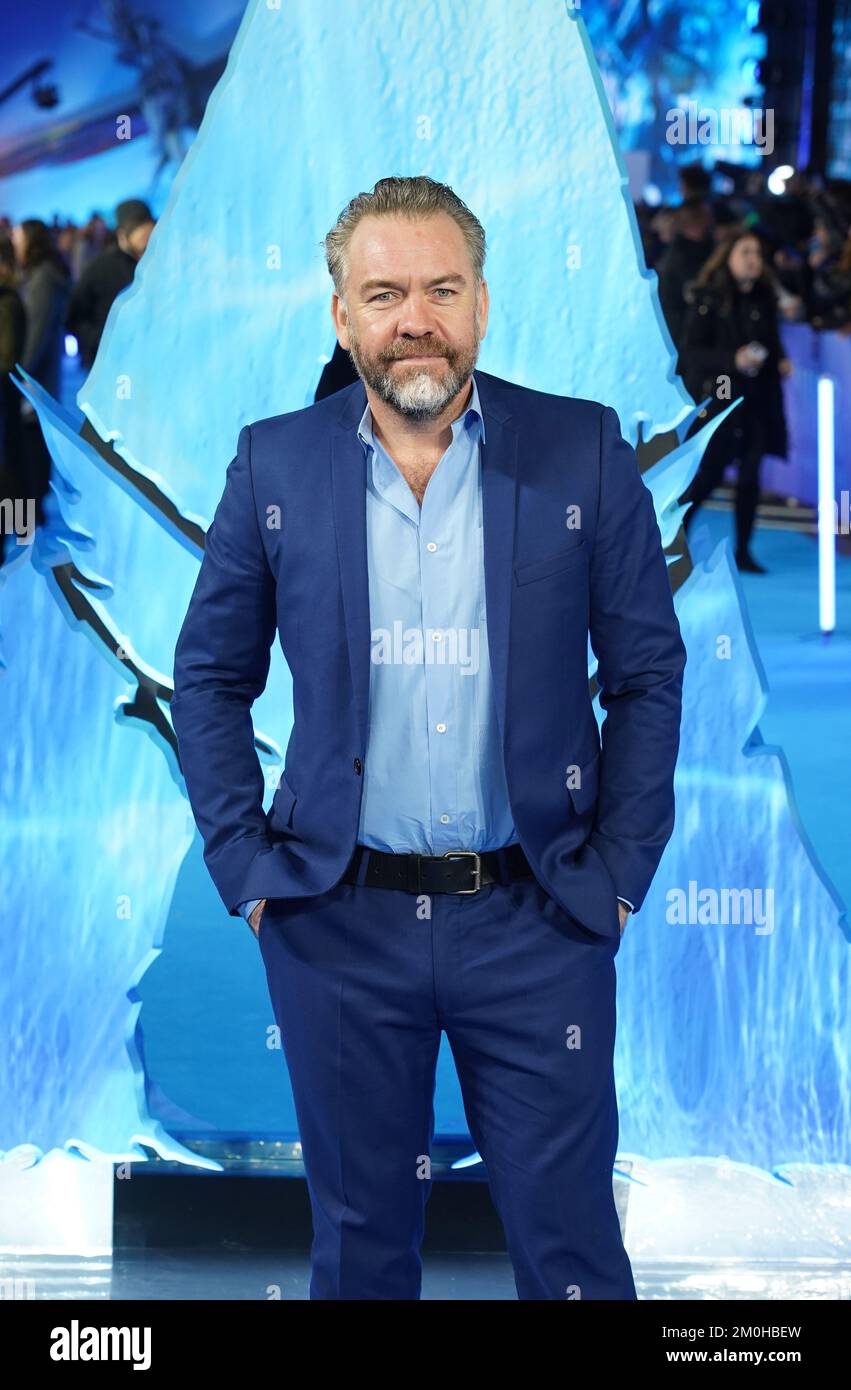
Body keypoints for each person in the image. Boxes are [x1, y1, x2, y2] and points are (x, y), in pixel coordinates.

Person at [171, 175, 687, 1301]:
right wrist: (249, 870)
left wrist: (617, 877)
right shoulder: (274, 465)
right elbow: (207, 677)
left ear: (483, 305)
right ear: (342, 315)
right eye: (386, 291)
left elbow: (646, 673)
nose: (417, 317)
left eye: (442, 288)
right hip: (337, 924)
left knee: (571, 1256)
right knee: (359, 1253)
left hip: (536, 917)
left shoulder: (580, 451)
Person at [676, 229, 790, 573]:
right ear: (728, 257)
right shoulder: (710, 298)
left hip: (757, 399)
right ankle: (674, 539)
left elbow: (771, 339)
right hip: (721, 399)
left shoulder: (764, 297)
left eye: (756, 252)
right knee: (709, 474)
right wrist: (733, 359)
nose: (753, 260)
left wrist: (779, 359)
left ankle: (744, 550)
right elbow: (691, 351)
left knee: (751, 475)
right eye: (745, 252)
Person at [10, 218, 72, 526]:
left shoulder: (42, 280)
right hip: (35, 385)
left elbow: (35, 337)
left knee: (25, 460)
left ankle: (25, 525)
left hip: (31, 387)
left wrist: (18, 374)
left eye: (18, 236)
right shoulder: (40, 276)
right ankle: (26, 522)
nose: (15, 242)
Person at [66, 199, 155, 370]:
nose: (148, 244)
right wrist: (102, 339)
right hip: (108, 367)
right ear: (122, 235)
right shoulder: (100, 268)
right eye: (143, 237)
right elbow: (74, 317)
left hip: (146, 361)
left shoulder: (157, 263)